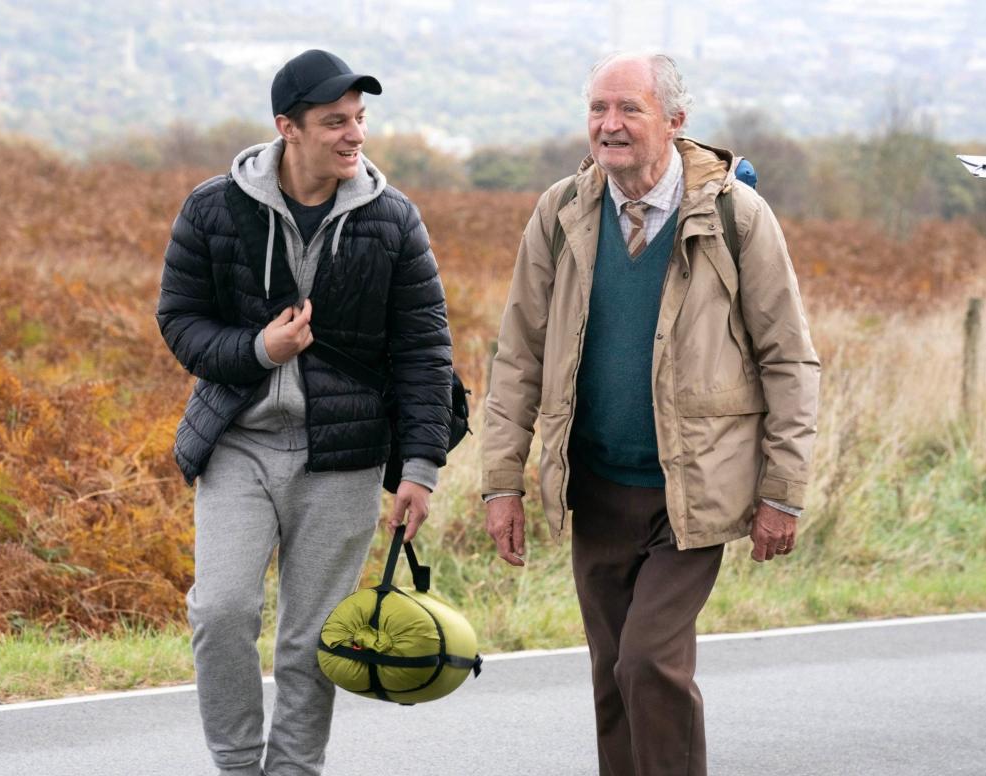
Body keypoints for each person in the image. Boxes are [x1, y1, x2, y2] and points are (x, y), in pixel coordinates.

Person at [481, 52, 819, 776]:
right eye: (599, 109)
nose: (609, 125)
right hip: (597, 486)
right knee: (610, 678)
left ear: (673, 120)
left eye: (628, 109)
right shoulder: (561, 212)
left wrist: (781, 490)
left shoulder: (735, 216)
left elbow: (789, 360)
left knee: (646, 664)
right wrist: (500, 481)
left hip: (692, 489)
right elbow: (518, 357)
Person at [156, 49, 453, 776]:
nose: (354, 136)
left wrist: (419, 467)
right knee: (221, 612)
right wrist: (259, 348)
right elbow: (180, 322)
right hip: (239, 446)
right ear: (287, 128)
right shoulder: (212, 207)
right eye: (334, 123)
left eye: (359, 120)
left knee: (309, 639)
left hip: (342, 456)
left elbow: (424, 352)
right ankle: (236, 766)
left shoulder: (392, 220)